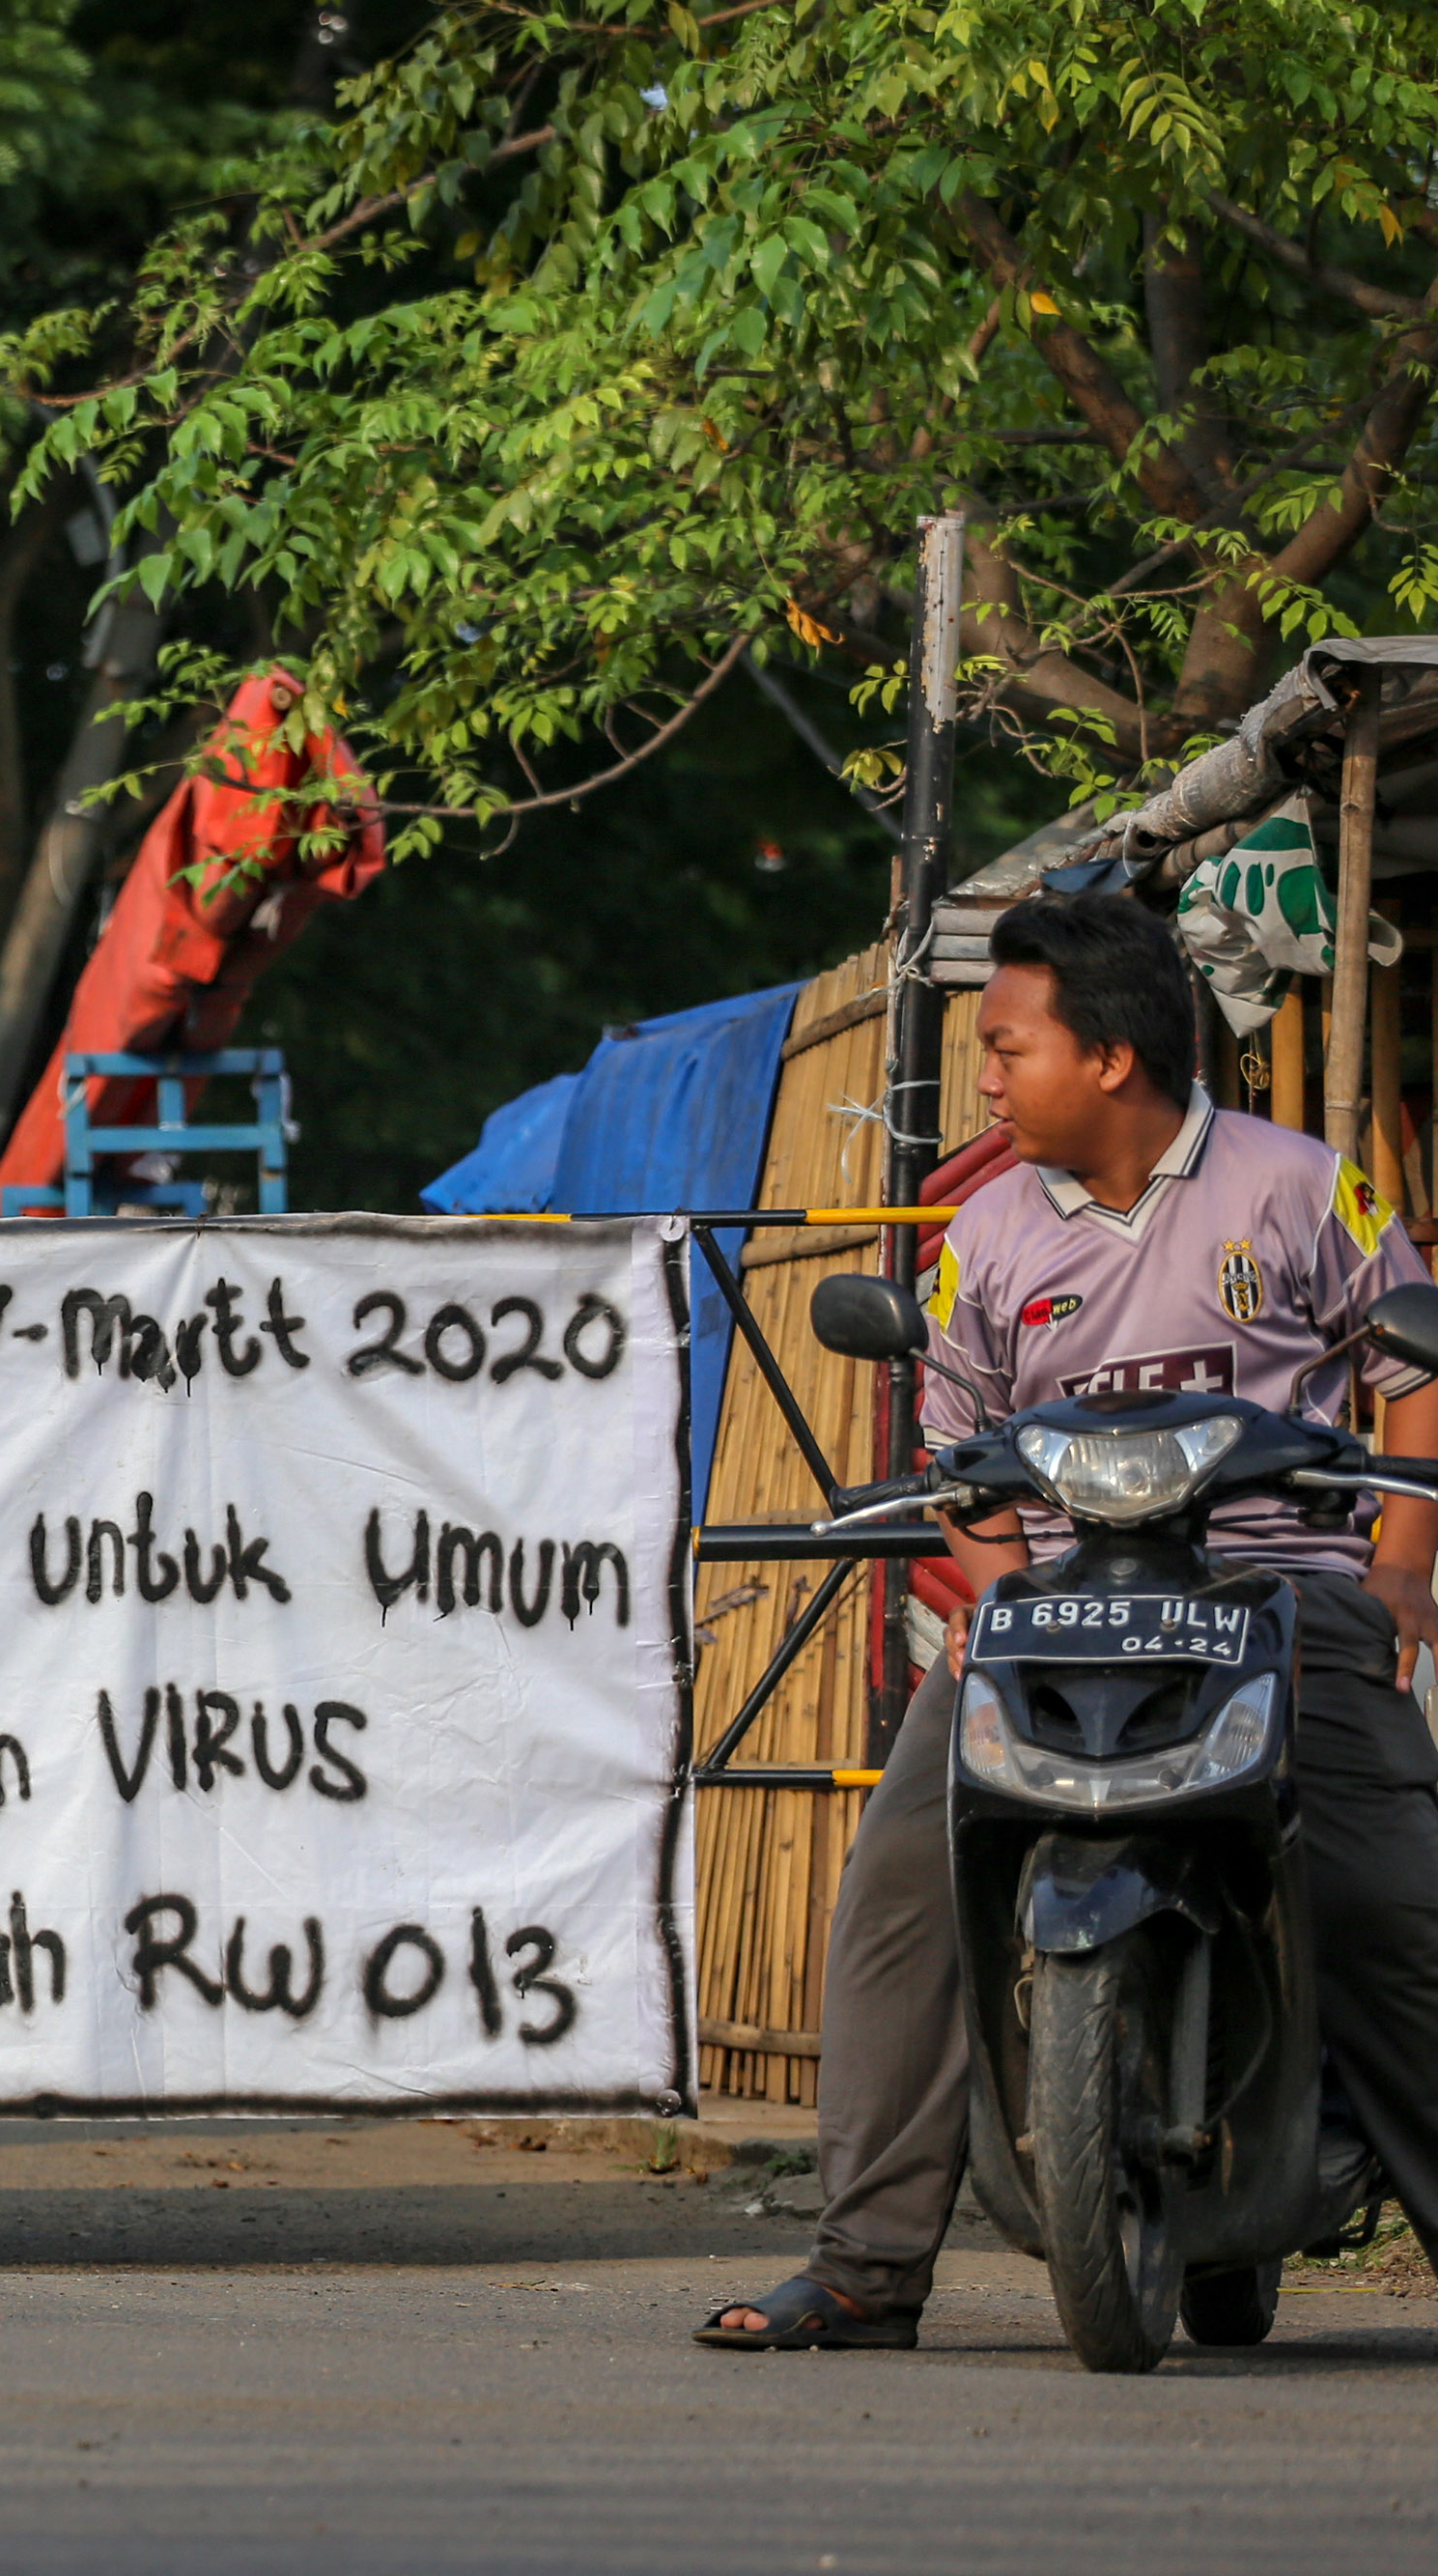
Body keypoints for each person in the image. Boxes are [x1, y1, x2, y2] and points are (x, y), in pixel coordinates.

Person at [698, 890, 1438, 2350]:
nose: (983, 1077)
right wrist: (990, 1608)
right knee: (905, 1877)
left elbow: (1412, 1369)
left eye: (1005, 1045)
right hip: (1054, 1607)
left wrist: (1402, 1567)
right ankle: (862, 2267)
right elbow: (958, 1459)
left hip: (1274, 1591)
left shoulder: (1300, 1186)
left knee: (1390, 1900)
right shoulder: (982, 1236)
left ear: (1108, 1056)